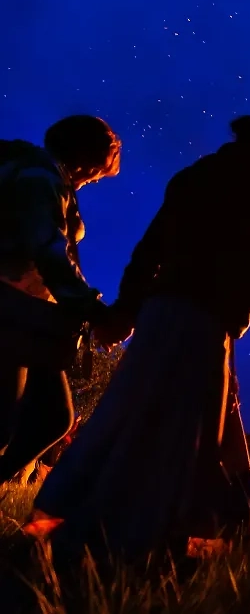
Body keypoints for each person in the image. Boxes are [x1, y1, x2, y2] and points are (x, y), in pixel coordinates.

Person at [27, 116, 250, 565]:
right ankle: (152, 543)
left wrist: (128, 311)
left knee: (133, 417)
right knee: (187, 435)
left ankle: (63, 524)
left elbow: (149, 249)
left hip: (160, 314)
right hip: (201, 320)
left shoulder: (191, 176)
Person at [0, 116, 121, 484]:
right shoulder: (41, 177)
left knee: (55, 416)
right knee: (5, 418)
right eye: (98, 172)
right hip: (11, 310)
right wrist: (90, 308)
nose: (96, 180)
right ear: (86, 159)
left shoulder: (48, 178)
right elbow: (48, 248)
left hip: (33, 316)